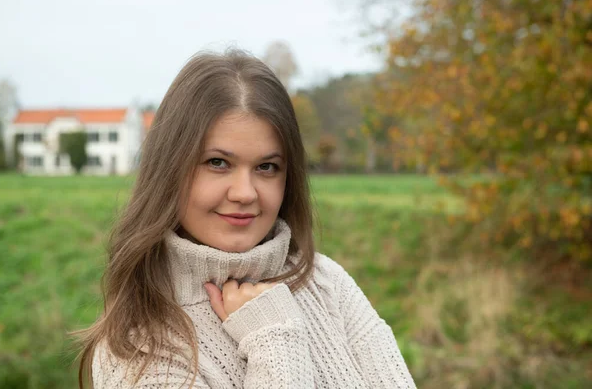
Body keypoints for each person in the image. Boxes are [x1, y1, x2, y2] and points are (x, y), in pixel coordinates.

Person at [76, 49, 417, 388]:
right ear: (169, 168)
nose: (245, 193)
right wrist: (276, 341)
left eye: (266, 167)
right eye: (217, 163)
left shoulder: (327, 283)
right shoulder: (138, 344)